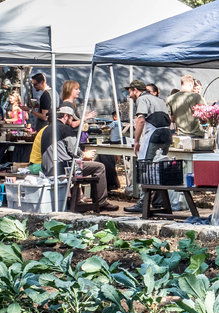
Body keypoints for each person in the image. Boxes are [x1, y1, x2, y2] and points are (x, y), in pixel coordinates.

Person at [39, 106, 115, 211]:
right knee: (99, 167)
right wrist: (85, 155)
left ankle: (76, 198)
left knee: (78, 164)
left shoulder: (46, 129)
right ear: (65, 116)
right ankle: (101, 202)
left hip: (48, 168)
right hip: (64, 168)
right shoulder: (65, 129)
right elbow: (74, 151)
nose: (72, 121)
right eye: (71, 118)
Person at [123, 79, 173, 213]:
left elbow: (141, 120)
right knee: (159, 167)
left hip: (154, 134)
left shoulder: (142, 99)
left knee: (145, 166)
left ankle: (142, 203)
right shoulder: (160, 100)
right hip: (166, 134)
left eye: (130, 91)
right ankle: (158, 201)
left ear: (135, 90)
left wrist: (136, 140)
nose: (129, 95)